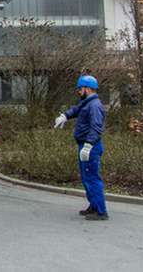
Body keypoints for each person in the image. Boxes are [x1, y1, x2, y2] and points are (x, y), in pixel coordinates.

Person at [54, 75, 109, 220]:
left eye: (80, 88)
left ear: (87, 88)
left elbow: (96, 128)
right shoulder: (87, 103)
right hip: (85, 146)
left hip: (90, 147)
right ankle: (94, 205)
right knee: (86, 178)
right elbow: (76, 109)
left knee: (92, 178)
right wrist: (65, 116)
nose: (78, 91)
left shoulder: (94, 106)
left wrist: (88, 146)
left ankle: (101, 211)